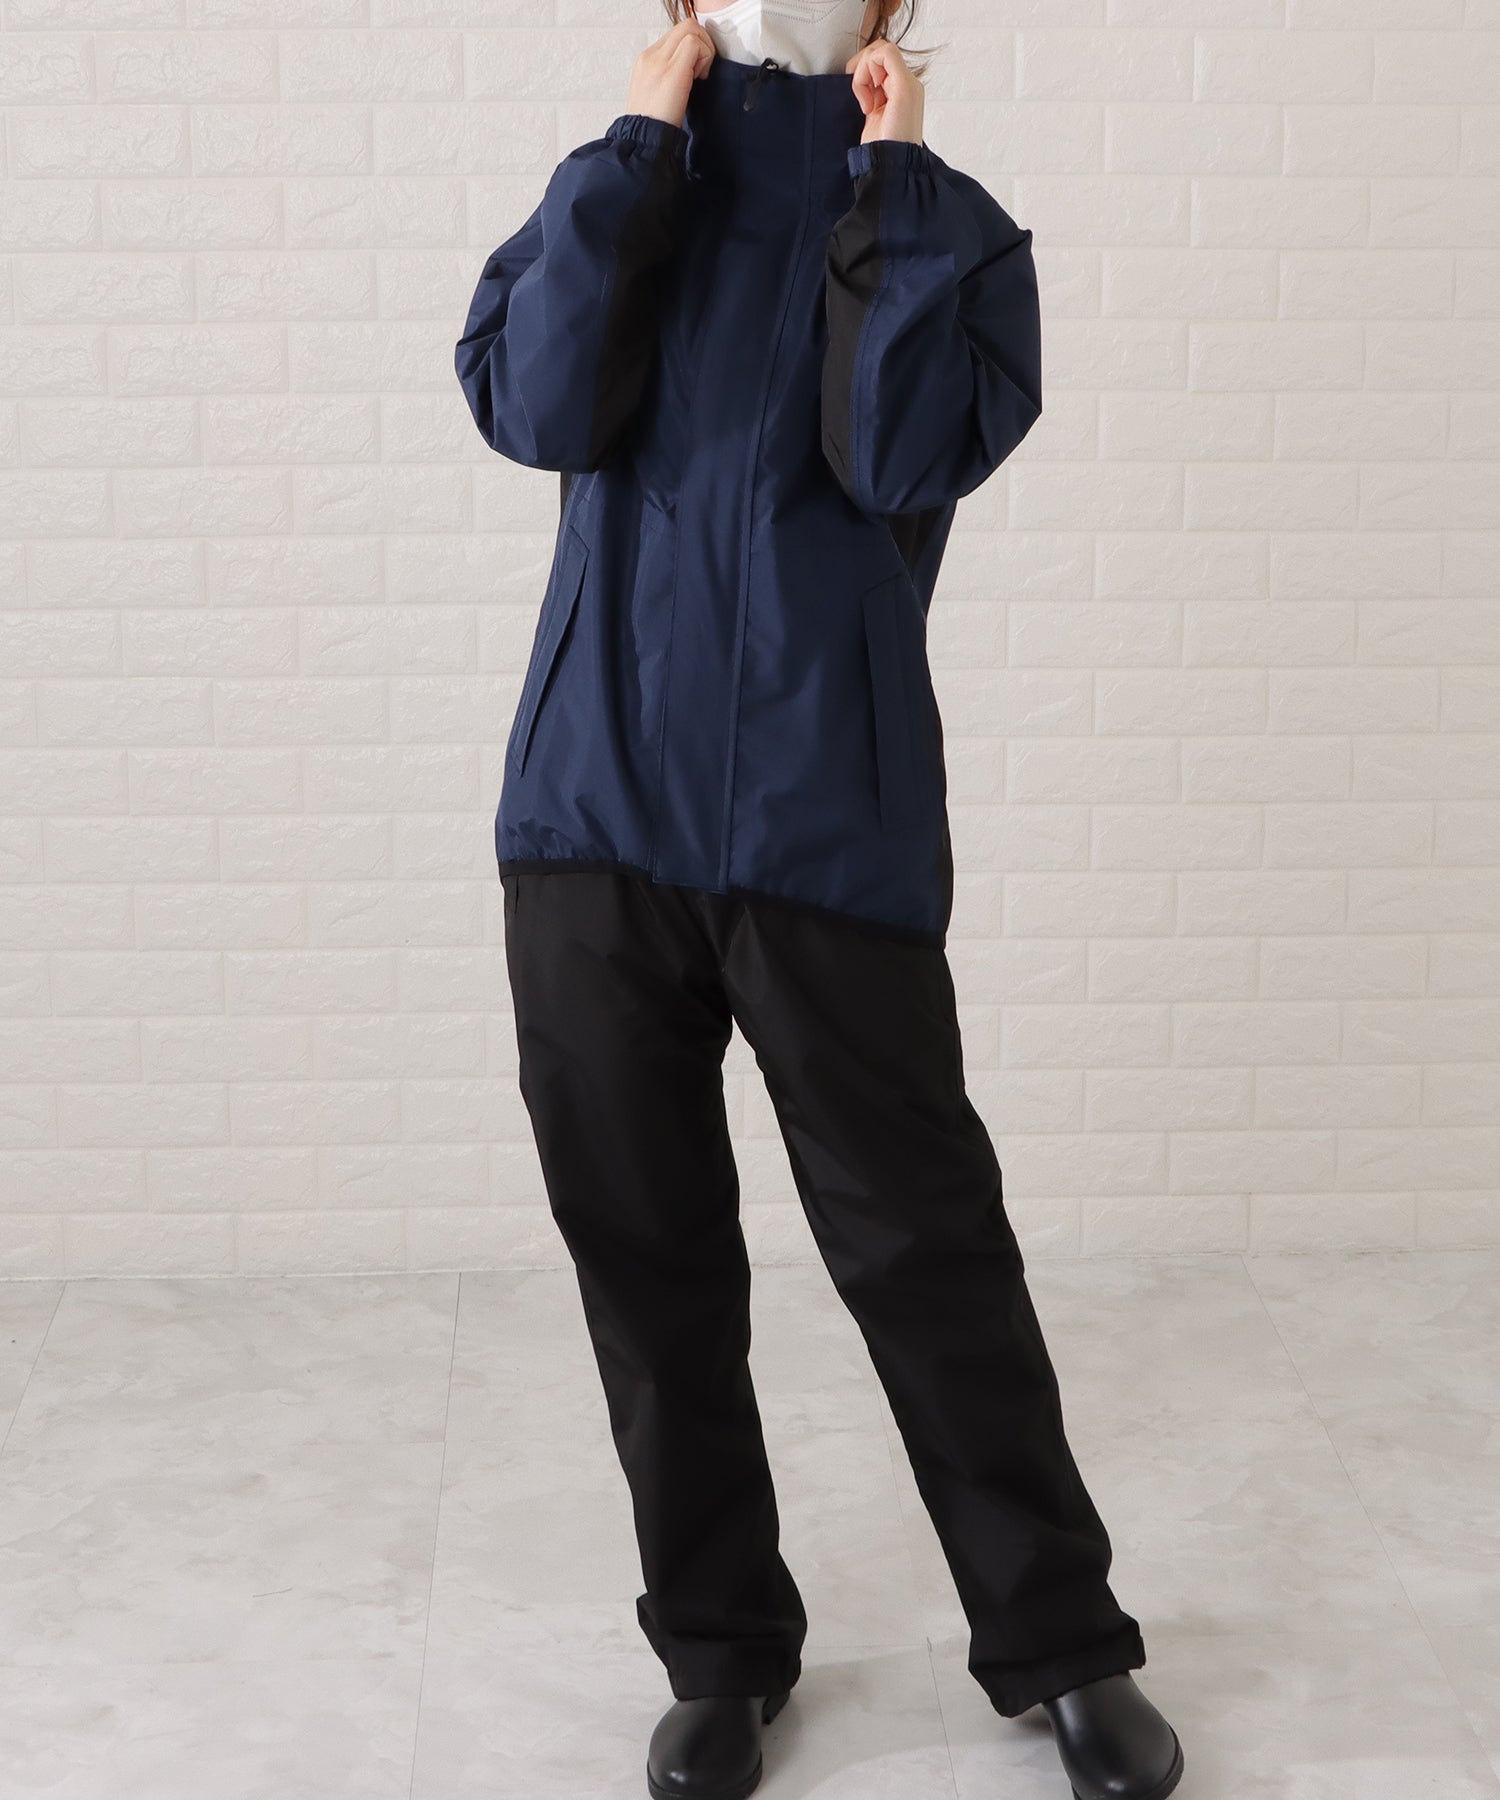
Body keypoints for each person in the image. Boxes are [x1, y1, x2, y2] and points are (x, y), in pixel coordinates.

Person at [454, 4, 1185, 1797]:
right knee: (645, 1248)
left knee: (924, 1247)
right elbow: (537, 405)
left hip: (826, 818)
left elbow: (900, 454)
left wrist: (892, 183)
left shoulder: (946, 228)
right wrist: (639, 151)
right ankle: (717, 1649)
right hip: (591, 812)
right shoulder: (616, 189)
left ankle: (1064, 1645)